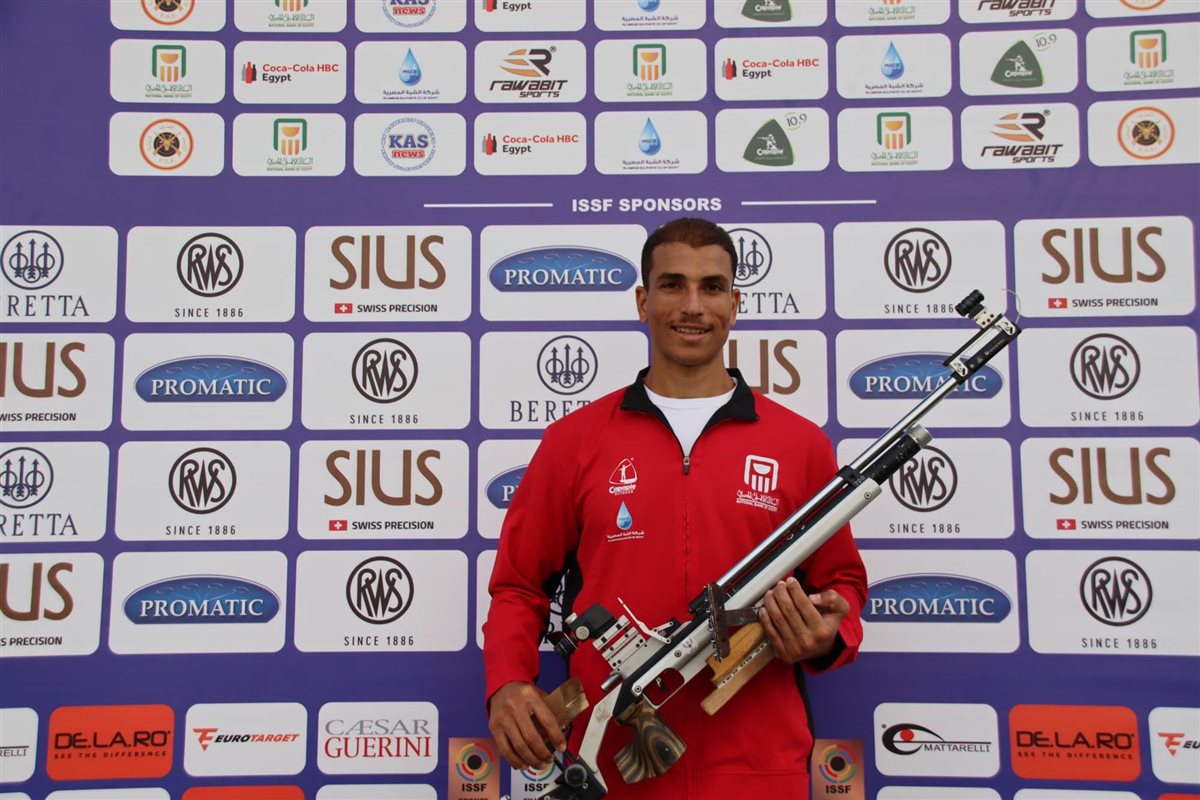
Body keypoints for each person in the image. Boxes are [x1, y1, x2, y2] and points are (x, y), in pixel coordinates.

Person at [483, 217, 867, 799]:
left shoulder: (799, 444)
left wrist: (827, 633)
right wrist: (509, 681)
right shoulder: (574, 441)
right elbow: (518, 586)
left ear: (735, 304)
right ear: (643, 301)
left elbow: (841, 584)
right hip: (611, 771)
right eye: (672, 285)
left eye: (712, 287)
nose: (693, 306)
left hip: (759, 773)